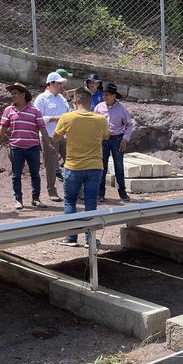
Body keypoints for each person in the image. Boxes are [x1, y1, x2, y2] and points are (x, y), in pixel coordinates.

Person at [53, 87, 109, 247]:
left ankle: (71, 238)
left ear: (75, 102)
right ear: (91, 102)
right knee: (91, 202)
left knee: (70, 201)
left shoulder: (67, 117)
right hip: (95, 166)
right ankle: (89, 240)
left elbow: (55, 137)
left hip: (73, 166)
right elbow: (106, 135)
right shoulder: (100, 119)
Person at [0, 82, 55, 210]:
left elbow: (42, 128)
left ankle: (35, 199)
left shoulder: (35, 111)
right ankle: (18, 199)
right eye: (12, 93)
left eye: (15, 93)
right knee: (16, 174)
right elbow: (3, 127)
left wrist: (48, 144)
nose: (12, 96)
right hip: (16, 147)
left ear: (23, 94)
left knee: (35, 173)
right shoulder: (8, 110)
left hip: (33, 147)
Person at [93, 83, 134, 202]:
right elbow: (94, 124)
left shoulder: (122, 109)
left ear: (113, 96)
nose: (104, 97)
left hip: (117, 139)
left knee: (119, 166)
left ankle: (122, 192)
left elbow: (129, 125)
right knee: (102, 166)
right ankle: (101, 193)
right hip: (103, 139)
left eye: (107, 95)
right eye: (103, 94)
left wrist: (125, 139)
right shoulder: (99, 107)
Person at [34, 71, 71, 202]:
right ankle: (51, 189)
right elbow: (37, 118)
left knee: (71, 161)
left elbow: (70, 113)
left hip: (64, 135)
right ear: (52, 83)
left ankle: (75, 189)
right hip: (48, 135)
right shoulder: (41, 99)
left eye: (62, 83)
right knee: (50, 163)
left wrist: (69, 100)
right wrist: (53, 118)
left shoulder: (62, 99)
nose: (62, 86)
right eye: (59, 83)